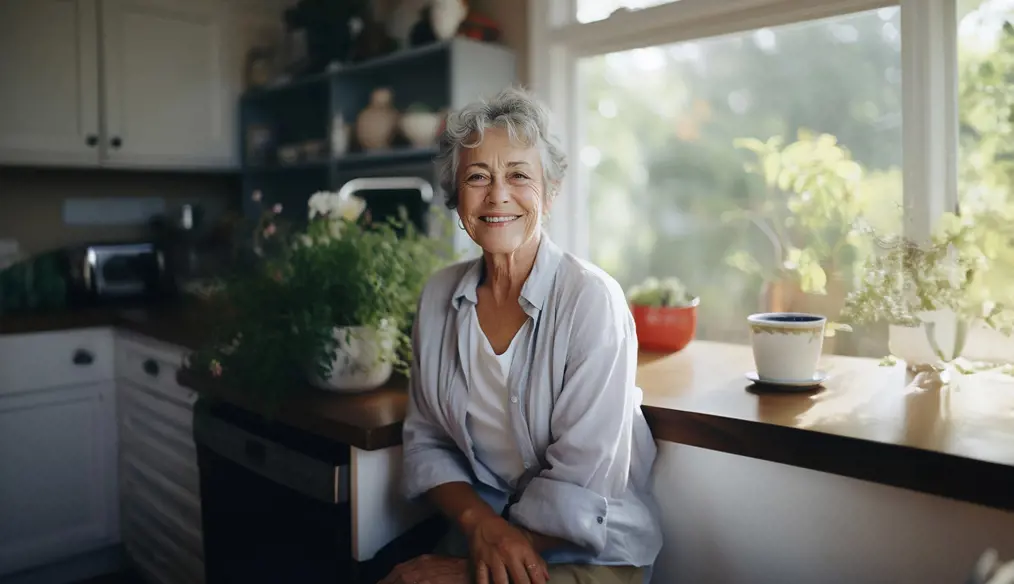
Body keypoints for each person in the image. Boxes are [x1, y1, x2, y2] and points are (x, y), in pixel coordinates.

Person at [380, 86, 662, 584]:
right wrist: (480, 525)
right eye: (477, 176)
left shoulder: (592, 300)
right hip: (488, 531)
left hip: (591, 548)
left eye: (518, 175)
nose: (497, 195)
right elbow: (426, 443)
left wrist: (472, 568)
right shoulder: (437, 297)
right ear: (456, 196)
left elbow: (583, 483)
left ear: (549, 194)